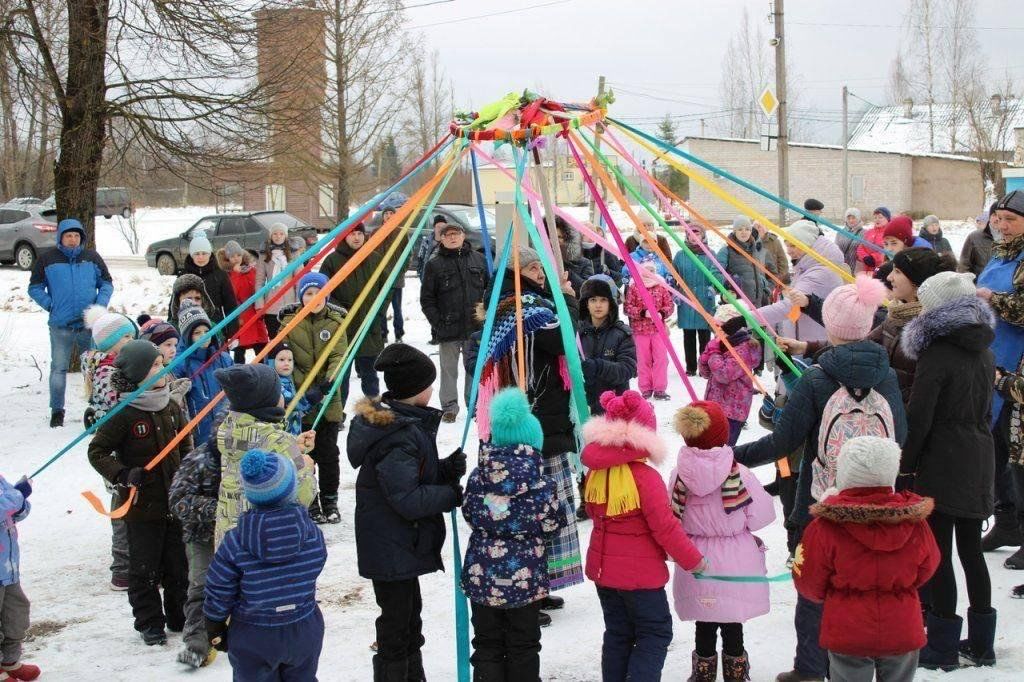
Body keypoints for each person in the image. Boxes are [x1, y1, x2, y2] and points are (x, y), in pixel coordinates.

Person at [733, 275, 906, 682]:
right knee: (866, 584)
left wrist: (730, 455)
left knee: (813, 588)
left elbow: (783, 442)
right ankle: (862, 666)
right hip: (876, 502)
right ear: (868, 325)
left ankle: (811, 669)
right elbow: (901, 435)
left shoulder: (816, 378)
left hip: (819, 502)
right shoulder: (888, 375)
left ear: (830, 327)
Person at [346, 343, 465, 681]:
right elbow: (407, 498)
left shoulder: (405, 424)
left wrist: (443, 470)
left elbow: (409, 477)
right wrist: (449, 494)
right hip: (390, 547)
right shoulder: (398, 435)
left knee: (409, 619)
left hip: (397, 544)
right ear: (417, 391)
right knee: (397, 626)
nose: (432, 389)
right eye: (430, 384)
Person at [476, 246, 585, 610]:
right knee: (536, 506)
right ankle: (526, 591)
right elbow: (563, 341)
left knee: (539, 505)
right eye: (535, 267)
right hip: (533, 421)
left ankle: (538, 585)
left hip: (536, 414)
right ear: (519, 271)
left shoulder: (517, 303)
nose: (541, 273)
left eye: (543, 267)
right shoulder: (524, 307)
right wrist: (567, 300)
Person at [899, 270, 997, 670]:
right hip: (978, 453)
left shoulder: (936, 353)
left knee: (937, 551)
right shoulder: (985, 351)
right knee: (972, 551)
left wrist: (906, 465)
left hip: (941, 458)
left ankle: (941, 645)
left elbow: (920, 416)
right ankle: (981, 642)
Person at [582, 390, 706, 681]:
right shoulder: (646, 477)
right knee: (655, 631)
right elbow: (665, 527)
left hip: (604, 573)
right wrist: (694, 561)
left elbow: (591, 513)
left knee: (618, 633)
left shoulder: (595, 474)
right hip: (641, 578)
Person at [793, 436, 940, 681]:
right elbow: (928, 566)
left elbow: (809, 580)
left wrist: (828, 594)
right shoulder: (915, 523)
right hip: (902, 627)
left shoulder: (825, 526)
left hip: (848, 630)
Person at [87, 340, 191, 646]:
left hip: (173, 502)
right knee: (144, 567)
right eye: (156, 365)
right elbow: (98, 451)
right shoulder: (123, 413)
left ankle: (178, 616)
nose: (164, 368)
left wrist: (186, 474)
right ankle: (149, 622)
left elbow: (185, 443)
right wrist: (122, 474)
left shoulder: (171, 406)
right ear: (138, 374)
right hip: (140, 506)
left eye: (162, 363)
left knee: (178, 565)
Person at [670, 401, 775, 682]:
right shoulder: (740, 474)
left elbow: (671, 518)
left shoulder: (679, 475)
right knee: (731, 620)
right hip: (734, 559)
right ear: (723, 434)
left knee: (704, 621)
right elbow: (762, 515)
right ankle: (736, 672)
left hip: (695, 558)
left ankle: (702, 672)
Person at [461, 388, 561, 680]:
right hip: (524, 578)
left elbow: (470, 514)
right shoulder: (542, 485)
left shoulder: (478, 477)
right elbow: (553, 523)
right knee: (524, 644)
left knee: (486, 642)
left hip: (483, 575)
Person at [204, 449, 327, 680]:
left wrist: (215, 622)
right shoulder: (311, 533)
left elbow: (219, 587)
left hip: (253, 634)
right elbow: (316, 563)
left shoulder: (235, 542)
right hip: (303, 627)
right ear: (291, 490)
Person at [213, 363, 319, 546]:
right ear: (265, 400)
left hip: (231, 543)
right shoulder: (279, 442)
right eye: (278, 392)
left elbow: (257, 445)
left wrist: (294, 446)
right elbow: (301, 497)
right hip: (268, 543)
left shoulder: (228, 430)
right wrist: (306, 468)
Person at [28, 218, 114, 427]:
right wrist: (51, 304)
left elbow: (107, 284)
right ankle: (57, 411)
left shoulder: (92, 258)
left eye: (76, 236)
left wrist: (99, 306)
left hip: (88, 325)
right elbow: (34, 287)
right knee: (58, 369)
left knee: (94, 368)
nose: (73, 240)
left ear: (81, 238)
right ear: (61, 237)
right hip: (60, 325)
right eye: (69, 236)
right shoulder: (48, 259)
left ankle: (97, 406)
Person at [976, 191, 1024, 566]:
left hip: (1018, 366)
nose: (1003, 226)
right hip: (991, 358)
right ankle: (1007, 518)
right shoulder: (1000, 252)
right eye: (999, 218)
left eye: (1011, 220)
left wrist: (993, 298)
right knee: (995, 445)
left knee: (1016, 451)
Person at [280, 272, 347, 524]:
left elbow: (339, 356)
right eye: (308, 293)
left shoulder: (336, 322)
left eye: (319, 293)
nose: (314, 298)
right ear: (301, 297)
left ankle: (330, 500)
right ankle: (310, 501)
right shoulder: (289, 323)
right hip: (298, 400)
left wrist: (328, 382)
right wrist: (300, 390)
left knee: (328, 453)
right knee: (302, 454)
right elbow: (284, 358)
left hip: (328, 399)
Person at [167, 411, 225, 669]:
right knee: (202, 586)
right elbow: (178, 500)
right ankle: (196, 644)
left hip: (238, 536)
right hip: (202, 536)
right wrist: (219, 508)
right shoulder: (199, 460)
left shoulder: (249, 459)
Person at [864, 248, 957, 404]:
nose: (889, 277)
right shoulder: (897, 313)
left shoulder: (933, 327)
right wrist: (812, 347)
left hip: (907, 415)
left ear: (917, 281)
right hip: (887, 406)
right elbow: (864, 346)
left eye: (897, 271)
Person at [420, 221, 488, 423]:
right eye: (447, 234)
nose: (452, 237)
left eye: (456, 233)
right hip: (448, 326)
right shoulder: (434, 264)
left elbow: (490, 289)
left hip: (475, 326)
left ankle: (474, 403)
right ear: (441, 238)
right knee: (448, 369)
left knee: (473, 366)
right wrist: (438, 322)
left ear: (463, 235)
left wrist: (486, 316)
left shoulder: (479, 259)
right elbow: (427, 298)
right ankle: (449, 406)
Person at [320, 223, 383, 415]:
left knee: (369, 373)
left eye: (360, 234)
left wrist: (377, 310)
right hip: (342, 327)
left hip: (368, 325)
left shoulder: (374, 258)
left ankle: (373, 409)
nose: (356, 238)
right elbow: (325, 292)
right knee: (341, 375)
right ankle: (337, 413)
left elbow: (386, 288)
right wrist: (341, 310)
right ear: (344, 237)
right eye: (352, 234)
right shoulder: (332, 261)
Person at [755, 220, 844, 346]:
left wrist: (746, 318)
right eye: (787, 245)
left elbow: (789, 306)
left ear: (807, 245)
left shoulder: (820, 273)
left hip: (815, 345)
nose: (788, 251)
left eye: (793, 245)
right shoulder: (806, 267)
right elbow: (792, 311)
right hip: (805, 341)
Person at [698, 308, 762, 445]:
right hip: (715, 407)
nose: (716, 331)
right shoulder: (721, 345)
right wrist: (705, 357)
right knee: (711, 448)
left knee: (724, 450)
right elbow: (705, 373)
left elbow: (723, 374)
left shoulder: (743, 349)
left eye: (719, 327)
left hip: (732, 411)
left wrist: (714, 353)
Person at [173, 301, 233, 447]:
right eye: (197, 333)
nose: (204, 336)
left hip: (229, 431)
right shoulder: (180, 364)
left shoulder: (224, 358)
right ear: (187, 336)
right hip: (200, 436)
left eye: (207, 331)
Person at [0, 474, 40, 681]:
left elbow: (14, 513)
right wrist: (17, 495)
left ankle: (9, 660)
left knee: (16, 614)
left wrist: (22, 500)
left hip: (7, 568)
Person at [579, 274, 636, 413]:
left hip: (614, 409)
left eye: (603, 300)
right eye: (593, 300)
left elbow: (628, 369)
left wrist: (599, 366)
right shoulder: (576, 334)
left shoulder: (622, 334)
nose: (598, 305)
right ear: (586, 303)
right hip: (584, 408)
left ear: (611, 303)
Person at [624, 262, 674, 401]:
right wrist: (641, 313)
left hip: (658, 330)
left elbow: (670, 305)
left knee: (661, 359)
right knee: (643, 359)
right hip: (640, 331)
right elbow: (628, 307)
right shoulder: (634, 287)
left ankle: (660, 389)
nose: (649, 272)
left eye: (652, 270)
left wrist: (662, 314)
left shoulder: (661, 286)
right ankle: (645, 388)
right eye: (646, 270)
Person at [673, 226, 717, 375]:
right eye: (690, 234)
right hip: (686, 297)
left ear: (703, 235)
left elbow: (718, 275)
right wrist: (675, 293)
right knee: (688, 335)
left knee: (705, 335)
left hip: (705, 298)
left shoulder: (710, 254)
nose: (694, 236)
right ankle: (690, 367)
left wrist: (713, 289)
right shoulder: (680, 255)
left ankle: (704, 367)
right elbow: (674, 276)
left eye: (697, 233)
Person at [179, 232, 238, 338]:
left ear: (210, 253)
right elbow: (174, 307)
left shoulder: (220, 274)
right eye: (197, 254)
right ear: (192, 255)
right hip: (190, 329)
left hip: (216, 327)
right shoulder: (184, 276)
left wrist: (233, 333)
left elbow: (231, 305)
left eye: (204, 253)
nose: (201, 257)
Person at [218, 240, 269, 363]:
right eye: (232, 256)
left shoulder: (252, 270)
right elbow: (231, 293)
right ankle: (239, 376)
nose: (236, 258)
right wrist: (236, 273)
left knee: (260, 349)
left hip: (254, 314)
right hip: (239, 316)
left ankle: (262, 373)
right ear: (227, 258)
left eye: (238, 255)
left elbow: (258, 287)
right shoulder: (227, 275)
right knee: (239, 351)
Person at [254, 222, 304, 341]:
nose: (278, 236)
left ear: (285, 236)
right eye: (275, 234)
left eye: (281, 234)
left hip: (290, 303)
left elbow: (299, 280)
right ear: (270, 236)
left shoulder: (294, 253)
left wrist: (299, 303)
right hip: (271, 304)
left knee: (290, 339)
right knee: (274, 339)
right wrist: (260, 304)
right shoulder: (264, 254)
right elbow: (259, 281)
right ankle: (272, 360)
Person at [266, 342, 318, 436]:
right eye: (281, 360)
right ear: (271, 361)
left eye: (290, 360)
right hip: (279, 438)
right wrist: (312, 397)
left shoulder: (288, 381)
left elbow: (297, 410)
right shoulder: (273, 383)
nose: (287, 363)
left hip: (292, 435)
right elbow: (292, 402)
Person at [717, 216, 769, 306]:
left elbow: (756, 272)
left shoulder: (754, 250)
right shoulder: (726, 250)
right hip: (737, 303)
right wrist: (731, 283)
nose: (744, 232)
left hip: (757, 303)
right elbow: (715, 273)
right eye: (740, 229)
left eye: (747, 229)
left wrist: (763, 283)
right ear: (734, 231)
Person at [377, 205, 407, 344]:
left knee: (397, 308)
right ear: (382, 216)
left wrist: (402, 270)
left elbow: (408, 253)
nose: (389, 215)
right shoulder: (377, 233)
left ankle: (399, 334)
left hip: (396, 278)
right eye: (386, 213)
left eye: (391, 213)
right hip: (380, 278)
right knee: (381, 308)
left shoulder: (401, 233)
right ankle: (383, 333)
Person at [622, 217, 672, 283]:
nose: (649, 245)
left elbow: (667, 269)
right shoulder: (633, 256)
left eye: (649, 225)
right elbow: (626, 270)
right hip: (639, 288)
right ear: (640, 244)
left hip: (658, 289)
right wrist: (629, 280)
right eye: (646, 242)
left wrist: (669, 280)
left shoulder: (660, 257)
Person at [555, 216, 595, 296]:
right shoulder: (541, 261)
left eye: (560, 237)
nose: (555, 241)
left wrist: (565, 269)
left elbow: (587, 290)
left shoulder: (584, 262)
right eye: (551, 236)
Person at [582, 222, 624, 288]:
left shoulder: (607, 253)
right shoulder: (573, 254)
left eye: (592, 233)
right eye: (584, 234)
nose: (590, 237)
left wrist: (609, 272)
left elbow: (620, 278)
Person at [959, 206, 997, 277]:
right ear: (989, 217)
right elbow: (964, 264)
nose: (997, 219)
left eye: (1001, 216)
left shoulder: (1013, 238)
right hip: (978, 285)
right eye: (995, 215)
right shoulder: (974, 237)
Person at [856, 207, 890, 274]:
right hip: (866, 269)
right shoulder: (869, 232)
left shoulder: (889, 233)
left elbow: (888, 251)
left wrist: (874, 258)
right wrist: (865, 257)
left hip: (882, 270)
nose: (877, 220)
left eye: (880, 217)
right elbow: (860, 248)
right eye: (875, 217)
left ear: (887, 219)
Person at [755, 220, 790, 284]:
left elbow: (783, 262)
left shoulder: (774, 241)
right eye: (756, 227)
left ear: (765, 228)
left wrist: (778, 278)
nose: (758, 229)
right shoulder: (751, 242)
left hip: (774, 278)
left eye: (760, 227)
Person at [835, 208, 865, 274]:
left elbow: (865, 250)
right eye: (848, 218)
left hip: (857, 268)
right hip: (842, 267)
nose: (851, 220)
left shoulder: (864, 233)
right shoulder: (840, 232)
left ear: (858, 218)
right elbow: (836, 248)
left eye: (853, 218)